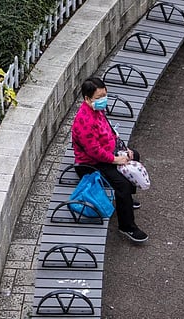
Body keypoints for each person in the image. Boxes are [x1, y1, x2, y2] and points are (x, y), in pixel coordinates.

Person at [71, 77, 148, 243]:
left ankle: (126, 199)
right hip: (90, 163)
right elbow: (94, 152)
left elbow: (111, 132)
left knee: (134, 154)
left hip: (108, 154)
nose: (103, 100)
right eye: (98, 97)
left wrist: (124, 150)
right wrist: (116, 159)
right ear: (87, 99)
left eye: (104, 95)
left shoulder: (98, 110)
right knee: (123, 184)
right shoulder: (84, 121)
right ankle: (127, 226)